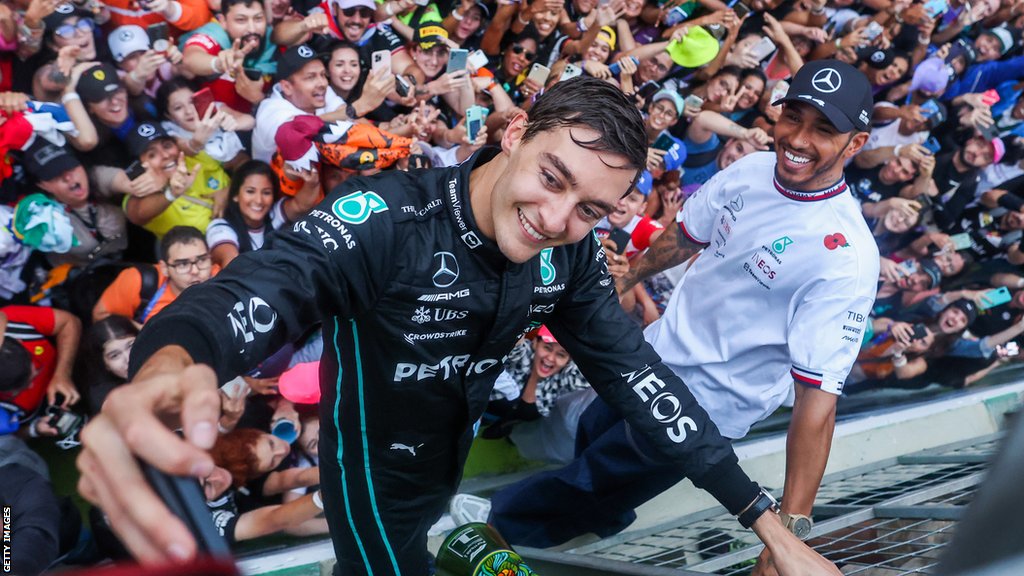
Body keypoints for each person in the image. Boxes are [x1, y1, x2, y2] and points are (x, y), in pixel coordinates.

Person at [75, 77, 839, 576]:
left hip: (452, 466)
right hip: (371, 476)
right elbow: (258, 290)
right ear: (514, 134)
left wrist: (769, 524)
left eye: (589, 210)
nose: (555, 219)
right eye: (551, 178)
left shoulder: (568, 254)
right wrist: (171, 364)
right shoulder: (385, 218)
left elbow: (640, 380)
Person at [482, 61, 878, 573]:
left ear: (856, 143)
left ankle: (489, 532)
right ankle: (599, 517)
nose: (799, 139)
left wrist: (789, 530)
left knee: (589, 484)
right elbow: (688, 233)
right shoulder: (753, 169)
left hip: (706, 404)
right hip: (651, 354)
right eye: (793, 117)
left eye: (823, 129)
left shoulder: (846, 258)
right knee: (595, 444)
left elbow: (817, 402)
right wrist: (627, 278)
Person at [92, 226, 217, 325]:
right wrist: (142, 331)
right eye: (183, 264)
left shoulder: (222, 278)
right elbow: (100, 316)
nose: (195, 271)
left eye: (202, 260)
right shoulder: (139, 281)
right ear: (164, 268)